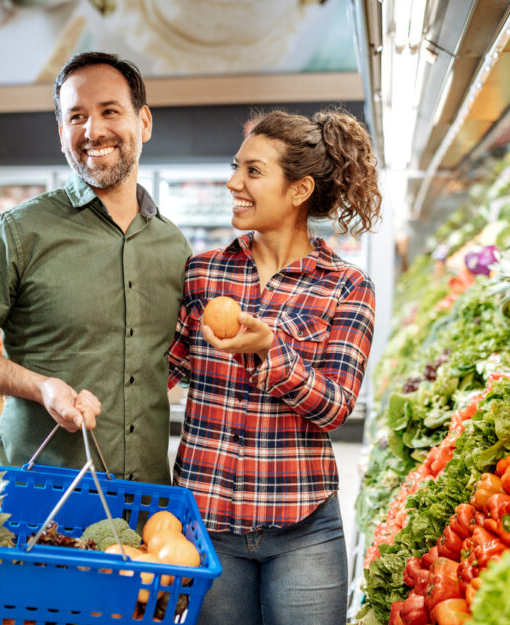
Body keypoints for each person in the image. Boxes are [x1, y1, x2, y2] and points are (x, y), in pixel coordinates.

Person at [0, 52, 191, 483]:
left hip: (146, 499)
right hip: (41, 494)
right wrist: (39, 386)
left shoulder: (173, 246)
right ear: (62, 132)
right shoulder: (20, 232)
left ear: (144, 123)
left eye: (109, 111)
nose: (93, 130)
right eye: (76, 116)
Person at [168, 109, 380, 625]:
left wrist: (270, 351)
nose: (233, 182)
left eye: (253, 172)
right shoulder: (202, 273)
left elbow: (334, 407)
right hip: (206, 523)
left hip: (302, 528)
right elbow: (163, 371)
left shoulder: (347, 287)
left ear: (299, 189)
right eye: (235, 167)